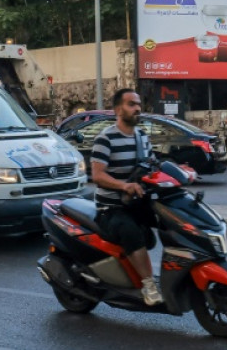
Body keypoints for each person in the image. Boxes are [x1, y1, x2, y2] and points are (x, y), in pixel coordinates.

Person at [90, 88, 162, 306]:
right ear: (118, 110)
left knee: (172, 220)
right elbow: (97, 175)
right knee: (131, 232)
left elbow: (152, 165)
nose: (138, 108)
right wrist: (124, 186)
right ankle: (148, 285)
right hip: (111, 208)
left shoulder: (142, 137)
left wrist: (180, 172)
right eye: (131, 104)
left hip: (137, 202)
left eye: (139, 104)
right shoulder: (105, 139)